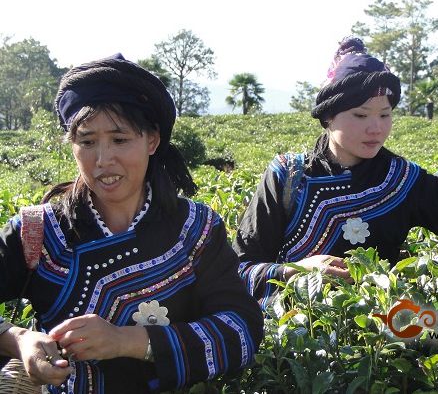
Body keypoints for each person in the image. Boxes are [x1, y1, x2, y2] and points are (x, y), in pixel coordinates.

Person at [232, 37, 438, 308]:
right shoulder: (287, 177)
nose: (376, 129)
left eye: (385, 114)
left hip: (376, 339)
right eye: (361, 116)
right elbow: (239, 269)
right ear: (329, 116)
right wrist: (296, 270)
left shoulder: (402, 179)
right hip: (293, 343)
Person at [0, 54, 263, 393]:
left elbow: (242, 330)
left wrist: (128, 341)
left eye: (119, 139)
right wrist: (18, 340)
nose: (103, 160)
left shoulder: (195, 230)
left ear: (151, 140)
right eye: (87, 141)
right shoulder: (37, 233)